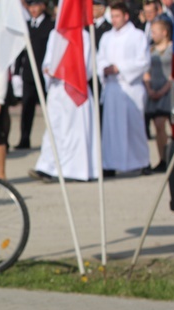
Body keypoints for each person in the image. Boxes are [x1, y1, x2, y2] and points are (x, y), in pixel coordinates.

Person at [30, 28, 99, 182]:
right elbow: (48, 60)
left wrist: (64, 71)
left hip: (75, 89)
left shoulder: (84, 35)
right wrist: (48, 69)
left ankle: (77, 170)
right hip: (56, 90)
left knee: (75, 131)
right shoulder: (54, 34)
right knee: (53, 129)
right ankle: (47, 167)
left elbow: (87, 65)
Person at [97, 1, 150, 176]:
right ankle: (110, 163)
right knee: (111, 128)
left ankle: (141, 162)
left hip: (130, 87)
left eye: (117, 16)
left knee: (133, 126)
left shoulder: (137, 35)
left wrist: (119, 68)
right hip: (112, 87)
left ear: (126, 16)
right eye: (112, 16)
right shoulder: (106, 37)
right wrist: (104, 68)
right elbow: (100, 59)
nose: (114, 20)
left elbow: (143, 61)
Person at [14, 0, 53, 150]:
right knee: (27, 108)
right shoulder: (27, 25)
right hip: (29, 74)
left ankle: (50, 141)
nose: (33, 9)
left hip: (45, 74)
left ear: (43, 6)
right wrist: (17, 72)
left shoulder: (50, 25)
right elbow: (20, 50)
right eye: (31, 6)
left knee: (49, 109)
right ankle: (24, 138)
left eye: (36, 5)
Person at [144, 18, 173, 173]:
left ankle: (173, 157)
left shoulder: (173, 48)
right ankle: (163, 158)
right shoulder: (150, 50)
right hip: (154, 92)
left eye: (155, 31)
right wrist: (149, 89)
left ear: (164, 32)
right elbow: (146, 71)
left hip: (169, 92)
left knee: (171, 126)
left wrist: (163, 90)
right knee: (158, 125)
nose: (152, 34)